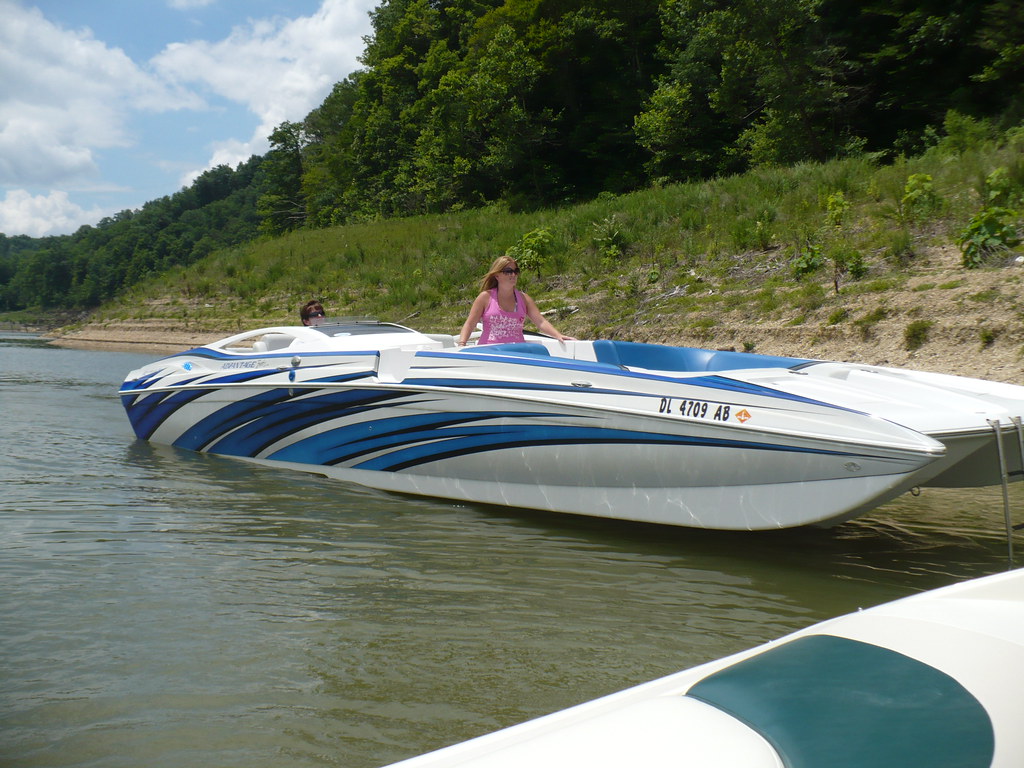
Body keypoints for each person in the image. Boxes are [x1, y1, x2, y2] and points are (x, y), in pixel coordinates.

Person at [457, 256, 574, 346]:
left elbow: (540, 322)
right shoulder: (485, 297)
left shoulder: (524, 299)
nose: (513, 274)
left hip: (517, 352)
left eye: (516, 271)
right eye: (508, 271)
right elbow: (470, 323)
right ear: (497, 275)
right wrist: (462, 344)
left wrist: (558, 335)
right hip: (489, 351)